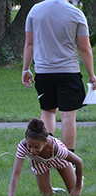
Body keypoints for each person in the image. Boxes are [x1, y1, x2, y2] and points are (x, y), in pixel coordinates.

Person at [22, 0, 96, 154]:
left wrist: (26, 69)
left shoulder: (35, 11)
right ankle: (69, 160)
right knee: (68, 116)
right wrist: (92, 75)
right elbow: (85, 47)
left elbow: (30, 43)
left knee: (48, 112)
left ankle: (44, 153)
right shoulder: (76, 13)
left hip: (43, 72)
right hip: (69, 72)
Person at [5, 118, 83, 196]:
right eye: (29, 146)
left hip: (57, 159)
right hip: (38, 161)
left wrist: (78, 188)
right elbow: (16, 173)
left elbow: (79, 162)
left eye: (36, 147)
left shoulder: (56, 148)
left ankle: (76, 175)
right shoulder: (23, 146)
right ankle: (52, 188)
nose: (32, 151)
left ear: (45, 142)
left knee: (73, 192)